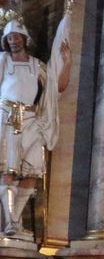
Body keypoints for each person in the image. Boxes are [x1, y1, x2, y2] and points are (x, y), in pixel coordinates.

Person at [0, 14, 70, 238]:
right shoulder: (2, 60)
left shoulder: (36, 65)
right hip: (6, 117)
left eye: (17, 37)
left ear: (25, 38)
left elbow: (56, 87)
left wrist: (66, 62)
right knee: (7, 170)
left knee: (32, 170)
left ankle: (15, 221)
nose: (13, 41)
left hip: (30, 120)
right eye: (9, 37)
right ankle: (10, 222)